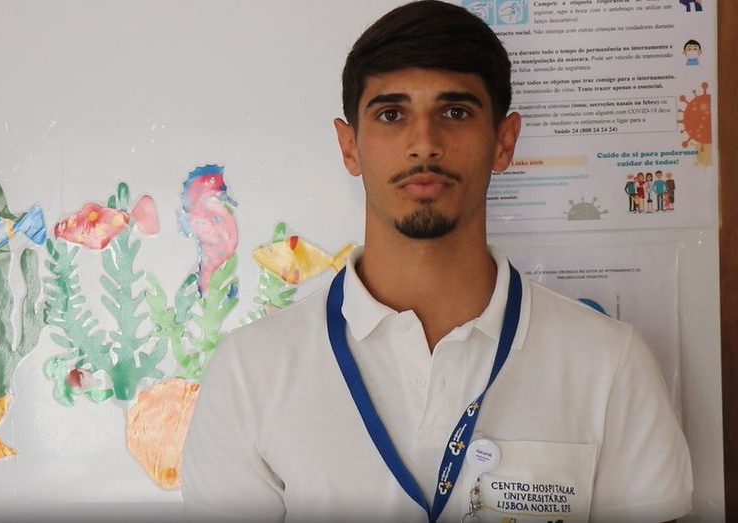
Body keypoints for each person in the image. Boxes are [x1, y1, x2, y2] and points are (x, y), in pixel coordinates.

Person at [181, 2, 693, 522]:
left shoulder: (610, 364)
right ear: (349, 146)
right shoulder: (250, 372)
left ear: (504, 142)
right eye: (391, 114)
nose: (424, 143)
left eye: (455, 112)